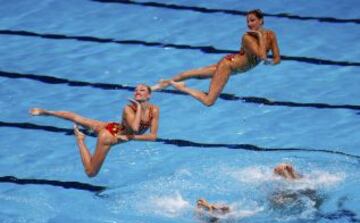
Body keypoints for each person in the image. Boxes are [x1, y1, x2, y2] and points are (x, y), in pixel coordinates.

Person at [151, 9, 280, 106]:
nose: (249, 24)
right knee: (209, 101)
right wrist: (260, 36)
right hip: (228, 66)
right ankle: (180, 87)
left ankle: (162, 84)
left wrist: (271, 62)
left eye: (252, 20)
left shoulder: (271, 35)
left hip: (233, 64)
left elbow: (277, 59)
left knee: (196, 74)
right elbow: (262, 56)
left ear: (261, 20)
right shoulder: (247, 37)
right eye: (247, 21)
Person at [30, 84, 159, 177]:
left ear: (149, 95)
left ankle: (46, 112)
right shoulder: (129, 109)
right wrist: (138, 107)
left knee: (79, 119)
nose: (138, 92)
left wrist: (130, 138)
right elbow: (136, 128)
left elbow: (153, 137)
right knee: (91, 173)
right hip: (109, 136)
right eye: (136, 90)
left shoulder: (155, 110)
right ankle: (80, 140)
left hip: (115, 127)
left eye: (142, 90)